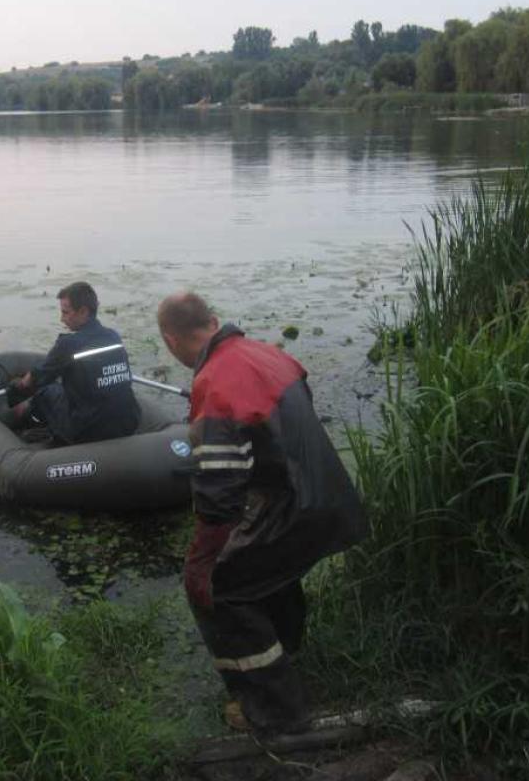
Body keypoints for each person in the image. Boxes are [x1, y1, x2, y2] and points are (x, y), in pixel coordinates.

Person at [156, 291, 367, 736]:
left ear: (171, 340)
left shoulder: (213, 384)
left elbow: (218, 495)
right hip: (328, 497)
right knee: (267, 572)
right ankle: (286, 654)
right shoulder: (269, 354)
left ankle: (274, 709)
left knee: (219, 588)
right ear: (213, 321)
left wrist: (204, 560)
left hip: (293, 511)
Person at [9, 281, 140, 444]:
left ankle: (9, 420)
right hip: (128, 423)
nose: (62, 319)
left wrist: (17, 386)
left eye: (65, 312)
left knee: (46, 393)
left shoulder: (68, 344)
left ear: (83, 312)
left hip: (88, 430)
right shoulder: (113, 337)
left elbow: (34, 379)